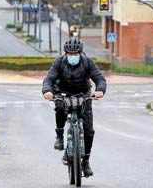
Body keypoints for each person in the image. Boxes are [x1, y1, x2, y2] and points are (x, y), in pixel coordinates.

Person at [42, 38, 106, 177]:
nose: (72, 57)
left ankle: (86, 162)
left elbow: (99, 78)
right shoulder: (59, 62)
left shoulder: (87, 62)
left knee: (89, 131)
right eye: (69, 54)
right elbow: (49, 79)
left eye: (75, 54)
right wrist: (47, 91)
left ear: (80, 53)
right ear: (65, 54)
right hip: (63, 94)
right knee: (59, 108)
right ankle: (59, 136)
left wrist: (100, 90)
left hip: (83, 95)